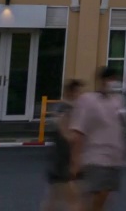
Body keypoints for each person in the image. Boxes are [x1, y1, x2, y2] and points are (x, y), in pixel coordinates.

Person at [70, 67, 126, 211]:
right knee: (94, 197)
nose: (114, 83)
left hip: (114, 158)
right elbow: (78, 131)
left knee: (103, 198)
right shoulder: (88, 100)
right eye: (111, 79)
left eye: (115, 79)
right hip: (95, 157)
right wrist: (75, 160)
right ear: (103, 81)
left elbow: (122, 128)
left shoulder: (119, 101)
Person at [41, 79, 84, 211]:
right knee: (74, 199)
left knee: (53, 197)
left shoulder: (63, 108)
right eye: (78, 91)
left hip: (59, 160)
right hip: (64, 161)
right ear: (71, 92)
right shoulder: (65, 109)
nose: (80, 94)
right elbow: (67, 134)